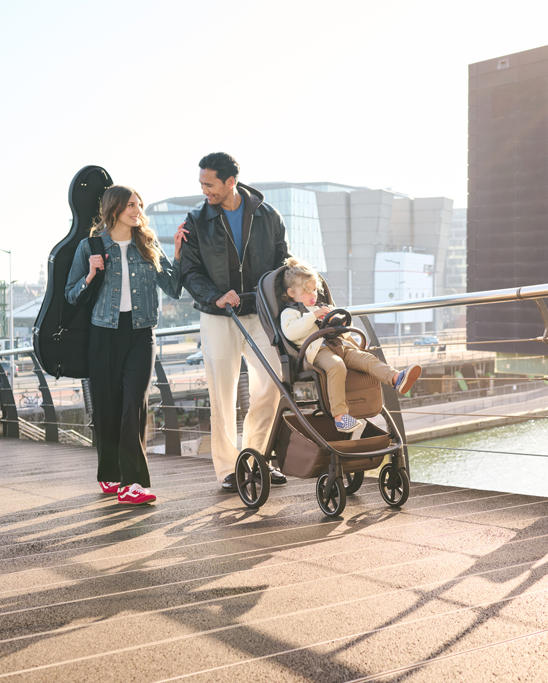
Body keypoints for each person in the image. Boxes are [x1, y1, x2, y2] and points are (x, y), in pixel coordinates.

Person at [65, 185, 186, 505]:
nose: (138, 210)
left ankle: (134, 482)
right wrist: (91, 274)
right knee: (107, 407)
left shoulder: (148, 244)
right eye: (131, 205)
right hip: (103, 333)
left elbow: (173, 289)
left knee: (135, 403)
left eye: (139, 205)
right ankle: (110, 472)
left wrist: (177, 253)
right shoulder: (90, 246)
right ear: (114, 209)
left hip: (140, 333)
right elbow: (70, 295)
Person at [180, 152, 290, 492]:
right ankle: (229, 467)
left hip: (259, 313)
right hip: (218, 315)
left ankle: (256, 456)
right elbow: (189, 271)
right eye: (201, 184)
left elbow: (281, 260)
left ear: (231, 182)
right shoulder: (196, 220)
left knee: (274, 380)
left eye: (209, 184)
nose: (204, 191)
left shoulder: (267, 215)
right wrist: (215, 295)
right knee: (222, 394)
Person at [279, 257, 421, 432]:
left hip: (340, 345)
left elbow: (344, 332)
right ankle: (340, 416)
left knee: (366, 359)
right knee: (337, 366)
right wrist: (313, 316)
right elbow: (291, 332)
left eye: (314, 290)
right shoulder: (290, 312)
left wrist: (344, 330)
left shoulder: (323, 307)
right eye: (307, 291)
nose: (313, 295)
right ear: (292, 293)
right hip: (317, 351)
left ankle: (396, 378)